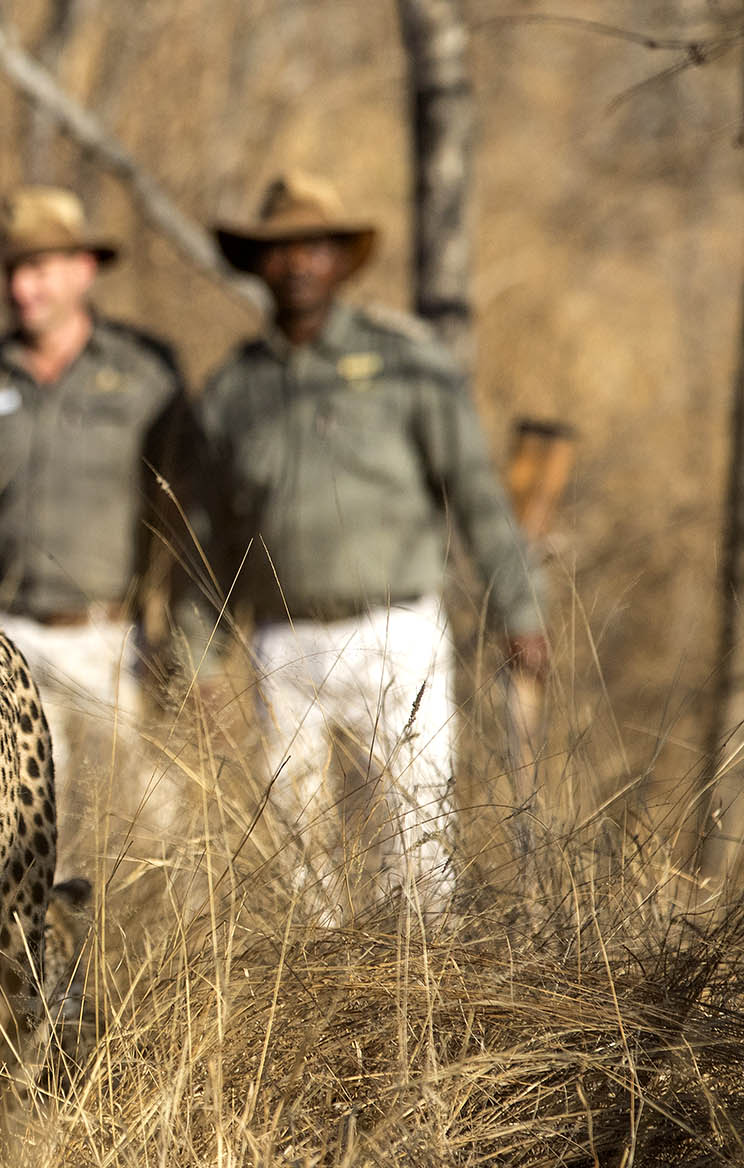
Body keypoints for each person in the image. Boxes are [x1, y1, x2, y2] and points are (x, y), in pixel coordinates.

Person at [200, 169, 550, 914]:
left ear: (340, 259)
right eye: (280, 248)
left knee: (420, 851)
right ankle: (314, 1026)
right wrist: (200, 655)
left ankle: (430, 1012)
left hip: (395, 633)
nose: (297, 263)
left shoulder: (405, 362)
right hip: (282, 646)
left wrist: (519, 606)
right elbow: (215, 532)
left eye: (315, 246)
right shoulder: (235, 388)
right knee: (299, 868)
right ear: (259, 263)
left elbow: (475, 489)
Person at [0, 186, 204, 857]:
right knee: (8, 832)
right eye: (13, 270)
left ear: (84, 268)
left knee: (142, 833)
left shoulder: (146, 371)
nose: (24, 288)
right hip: (4, 634)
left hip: (111, 638)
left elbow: (183, 513)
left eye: (41, 268)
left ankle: (150, 960)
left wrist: (178, 639)